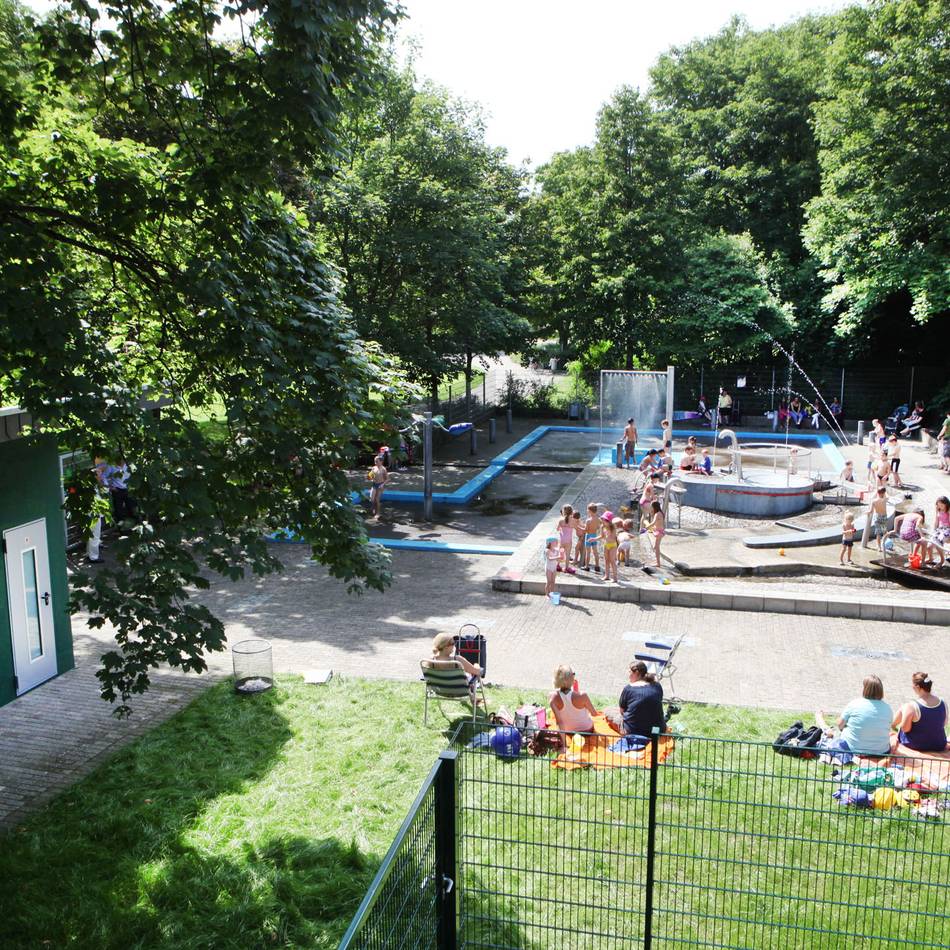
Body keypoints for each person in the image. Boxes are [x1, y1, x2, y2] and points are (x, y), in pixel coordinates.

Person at [818, 675, 892, 758]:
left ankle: (820, 718)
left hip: (853, 749)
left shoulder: (855, 704)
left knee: (832, 731)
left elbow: (840, 725)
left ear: (865, 689)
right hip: (881, 751)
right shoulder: (888, 708)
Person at [893, 673, 947, 752]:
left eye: (913, 685)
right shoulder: (943, 702)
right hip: (939, 745)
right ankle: (892, 724)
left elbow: (905, 729)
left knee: (905, 707)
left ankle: (892, 725)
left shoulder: (913, 706)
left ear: (918, 687)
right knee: (906, 707)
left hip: (916, 745)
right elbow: (944, 723)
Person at [616, 661, 667, 740]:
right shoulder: (657, 685)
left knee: (609, 711)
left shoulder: (629, 689)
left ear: (636, 673)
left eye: (629, 673)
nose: (628, 676)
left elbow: (622, 711)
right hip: (657, 731)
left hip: (633, 732)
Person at [425, 633, 484, 699]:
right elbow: (477, 672)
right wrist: (477, 665)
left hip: (439, 691)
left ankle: (473, 698)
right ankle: (473, 698)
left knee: (465, 675)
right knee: (471, 674)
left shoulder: (430, 661)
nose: (455, 645)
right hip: (460, 691)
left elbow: (427, 678)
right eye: (453, 643)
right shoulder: (458, 660)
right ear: (446, 647)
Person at [549, 665, 597, 734]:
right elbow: (594, 713)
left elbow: (559, 723)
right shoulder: (582, 695)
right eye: (573, 674)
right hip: (586, 731)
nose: (574, 676)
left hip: (568, 731)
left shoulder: (552, 698)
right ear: (569, 678)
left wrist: (564, 744)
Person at [86, 457, 108, 564]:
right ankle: (93, 557)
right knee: (95, 535)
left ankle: (89, 554)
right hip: (93, 514)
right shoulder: (91, 489)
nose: (100, 477)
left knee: (91, 535)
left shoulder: (91, 486)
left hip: (92, 514)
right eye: (98, 475)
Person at [929, 496, 949, 569]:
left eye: (942, 505)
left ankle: (942, 560)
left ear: (946, 504)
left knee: (938, 543)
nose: (940, 506)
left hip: (947, 529)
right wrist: (934, 530)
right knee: (930, 544)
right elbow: (936, 520)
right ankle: (932, 558)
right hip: (939, 529)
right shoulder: (938, 509)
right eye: (938, 504)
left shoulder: (948, 511)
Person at [555, 505, 577, 574]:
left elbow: (557, 529)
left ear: (563, 512)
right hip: (569, 541)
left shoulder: (561, 520)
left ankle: (557, 565)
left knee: (560, 553)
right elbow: (576, 527)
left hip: (562, 540)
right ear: (571, 512)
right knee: (567, 555)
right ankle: (566, 568)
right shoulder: (573, 520)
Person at [582, 502, 602, 573]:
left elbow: (586, 530)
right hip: (594, 536)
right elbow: (599, 527)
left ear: (589, 511)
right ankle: (597, 566)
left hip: (588, 536)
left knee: (588, 552)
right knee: (595, 552)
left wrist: (579, 527)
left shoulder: (588, 520)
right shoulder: (598, 519)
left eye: (587, 510)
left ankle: (587, 566)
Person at [644, 500, 665, 568]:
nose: (651, 508)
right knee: (655, 547)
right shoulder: (660, 513)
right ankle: (657, 560)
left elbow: (653, 523)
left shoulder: (657, 514)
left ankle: (658, 563)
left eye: (651, 506)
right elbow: (657, 524)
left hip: (659, 532)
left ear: (654, 507)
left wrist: (646, 528)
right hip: (659, 531)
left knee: (656, 548)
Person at [369, 453, 388, 520]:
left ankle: (378, 513)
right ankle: (373, 509)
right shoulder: (373, 468)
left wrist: (382, 484)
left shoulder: (383, 469)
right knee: (371, 498)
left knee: (377, 499)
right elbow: (370, 476)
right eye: (375, 461)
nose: (375, 462)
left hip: (380, 485)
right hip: (374, 484)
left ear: (381, 462)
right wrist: (370, 477)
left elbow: (387, 479)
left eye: (377, 461)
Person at [601, 512, 620, 583]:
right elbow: (602, 536)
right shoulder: (602, 527)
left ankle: (615, 577)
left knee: (612, 561)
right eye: (603, 519)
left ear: (609, 521)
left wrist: (610, 533)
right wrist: (594, 539)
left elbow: (614, 537)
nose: (603, 521)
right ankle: (607, 576)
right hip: (606, 545)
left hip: (613, 545)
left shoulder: (613, 527)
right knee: (606, 561)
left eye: (605, 520)